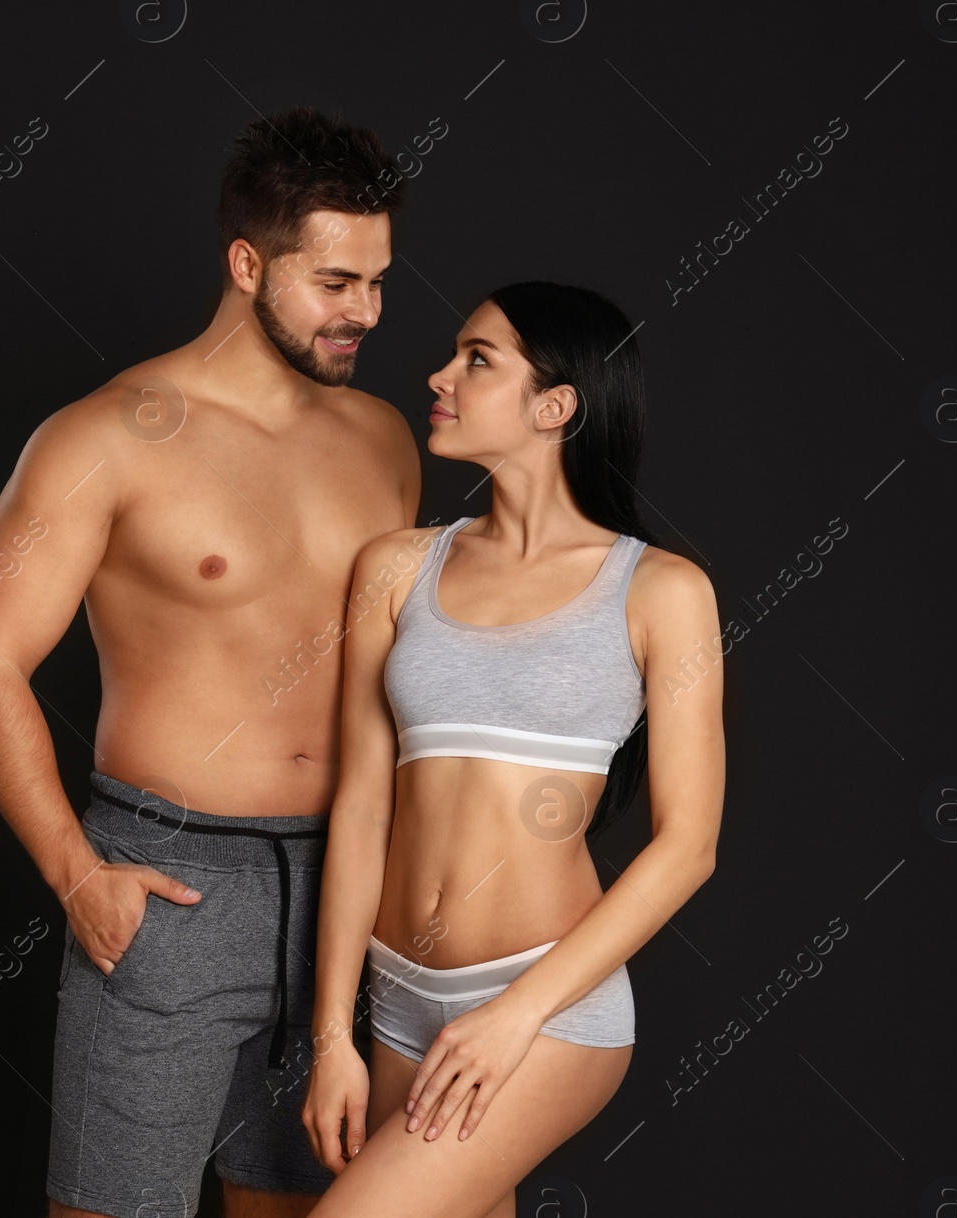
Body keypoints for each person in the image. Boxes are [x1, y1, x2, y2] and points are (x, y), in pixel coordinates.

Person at [0, 106, 419, 1218]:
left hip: (350, 893)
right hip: (173, 883)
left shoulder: (384, 439)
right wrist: (77, 878)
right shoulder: (103, 438)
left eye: (379, 281)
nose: (367, 312)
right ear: (247, 264)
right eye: (335, 282)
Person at [300, 281, 725, 1216]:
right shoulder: (397, 567)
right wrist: (335, 1031)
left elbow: (689, 844)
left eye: (477, 359)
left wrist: (515, 1015)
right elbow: (364, 805)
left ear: (556, 405)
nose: (439, 375)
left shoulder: (661, 592)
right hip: (397, 999)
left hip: (544, 1006)